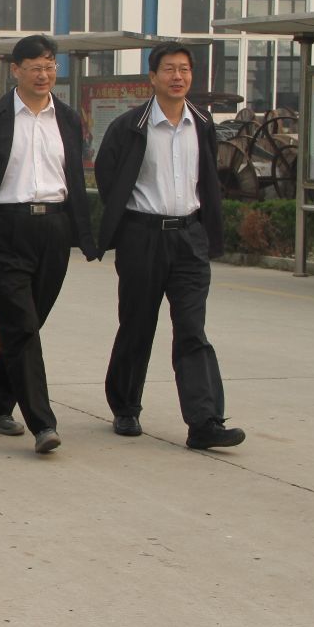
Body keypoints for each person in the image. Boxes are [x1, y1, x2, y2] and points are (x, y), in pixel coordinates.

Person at [94, 42, 244, 451]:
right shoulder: (130, 126)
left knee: (193, 330)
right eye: (169, 69)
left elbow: (207, 179)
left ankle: (204, 422)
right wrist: (126, 221)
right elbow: (107, 176)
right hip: (142, 237)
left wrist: (206, 232)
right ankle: (126, 407)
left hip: (189, 239)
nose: (178, 77)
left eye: (184, 69)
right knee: (137, 325)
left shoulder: (202, 124)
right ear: (153, 77)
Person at [0, 35, 98, 455]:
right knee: (20, 325)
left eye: (50, 66)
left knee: (29, 324)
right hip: (4, 231)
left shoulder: (67, 118)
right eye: (34, 66)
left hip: (53, 229)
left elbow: (73, 176)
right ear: (15, 70)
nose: (43, 74)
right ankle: (43, 423)